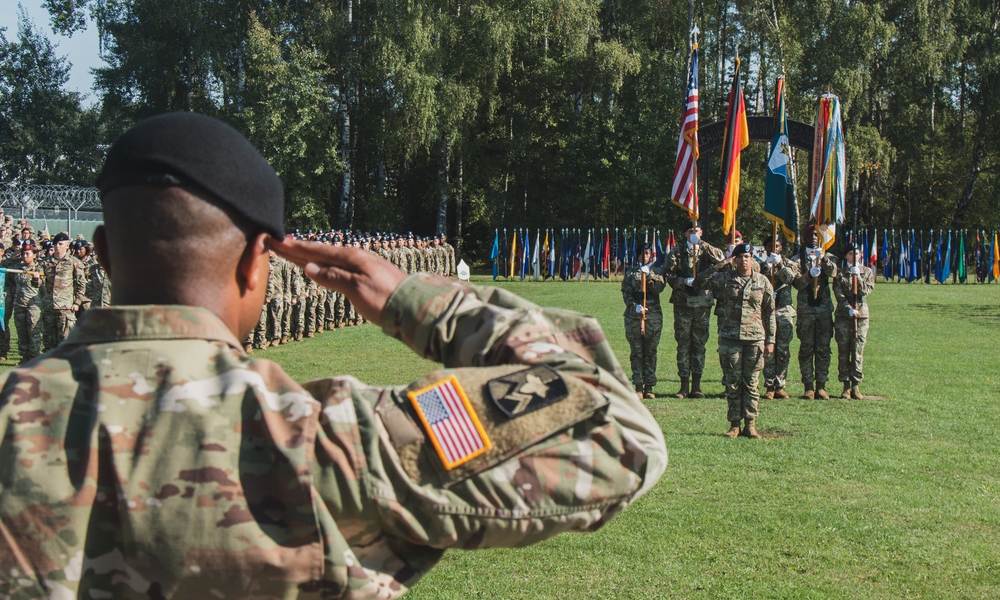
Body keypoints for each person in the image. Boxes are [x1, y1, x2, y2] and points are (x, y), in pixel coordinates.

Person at [0, 112, 667, 597]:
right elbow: (616, 429)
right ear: (259, 262)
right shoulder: (320, 438)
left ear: (105, 254)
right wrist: (419, 301)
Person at [695, 243, 775, 438]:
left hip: (755, 338)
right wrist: (718, 265)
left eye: (747, 256)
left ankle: (750, 424)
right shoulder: (725, 279)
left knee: (752, 383)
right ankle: (734, 424)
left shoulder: (762, 281)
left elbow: (769, 311)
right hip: (730, 338)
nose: (744, 260)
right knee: (732, 383)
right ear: (735, 259)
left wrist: (771, 339)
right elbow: (699, 282)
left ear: (752, 259)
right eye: (740, 257)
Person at [662, 220, 725, 398]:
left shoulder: (706, 249)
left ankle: (696, 386)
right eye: (690, 230)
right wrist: (684, 281)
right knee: (683, 344)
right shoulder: (676, 251)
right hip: (683, 303)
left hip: (702, 303)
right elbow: (669, 274)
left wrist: (702, 245)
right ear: (684, 233)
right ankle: (683, 386)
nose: (694, 233)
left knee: (699, 344)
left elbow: (721, 260)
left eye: (697, 231)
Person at [788, 224, 838, 399]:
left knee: (824, 348)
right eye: (811, 235)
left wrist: (823, 259)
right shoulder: (797, 259)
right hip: (806, 309)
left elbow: (833, 273)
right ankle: (808, 386)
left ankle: (821, 386)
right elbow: (797, 284)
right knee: (807, 348)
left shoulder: (829, 256)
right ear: (806, 238)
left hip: (824, 309)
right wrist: (809, 274)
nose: (815, 238)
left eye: (817, 235)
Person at [621, 243, 666, 399]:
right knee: (637, 352)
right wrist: (634, 307)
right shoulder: (631, 273)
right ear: (638, 255)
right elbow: (626, 293)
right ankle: (638, 385)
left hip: (652, 316)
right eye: (642, 253)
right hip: (634, 317)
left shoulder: (657, 271)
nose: (645, 256)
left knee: (650, 352)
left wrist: (649, 276)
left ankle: (649, 387)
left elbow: (659, 288)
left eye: (648, 253)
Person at [832, 242, 875, 399]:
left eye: (857, 253)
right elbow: (838, 293)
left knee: (857, 350)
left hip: (861, 316)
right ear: (846, 256)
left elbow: (866, 290)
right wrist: (847, 308)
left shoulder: (867, 272)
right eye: (851, 253)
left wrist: (858, 277)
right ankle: (845, 386)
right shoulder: (840, 273)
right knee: (844, 350)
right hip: (844, 316)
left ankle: (856, 385)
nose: (854, 256)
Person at [760, 235, 799, 399]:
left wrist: (780, 264)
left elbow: (790, 278)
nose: (773, 248)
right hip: (766, 311)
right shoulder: (760, 266)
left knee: (783, 350)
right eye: (770, 246)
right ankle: (769, 385)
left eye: (776, 245)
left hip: (784, 310)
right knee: (768, 350)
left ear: (781, 248)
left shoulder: (790, 263)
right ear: (765, 248)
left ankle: (780, 384)